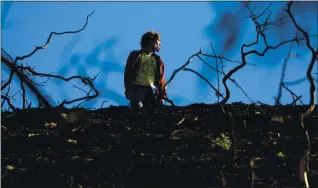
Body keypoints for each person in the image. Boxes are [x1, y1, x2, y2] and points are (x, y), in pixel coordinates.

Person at [124, 30, 167, 109]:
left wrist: (162, 96)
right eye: (157, 43)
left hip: (152, 90)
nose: (159, 45)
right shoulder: (136, 55)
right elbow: (128, 72)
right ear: (151, 41)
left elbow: (161, 79)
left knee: (156, 109)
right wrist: (129, 89)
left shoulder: (158, 60)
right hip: (138, 89)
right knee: (137, 108)